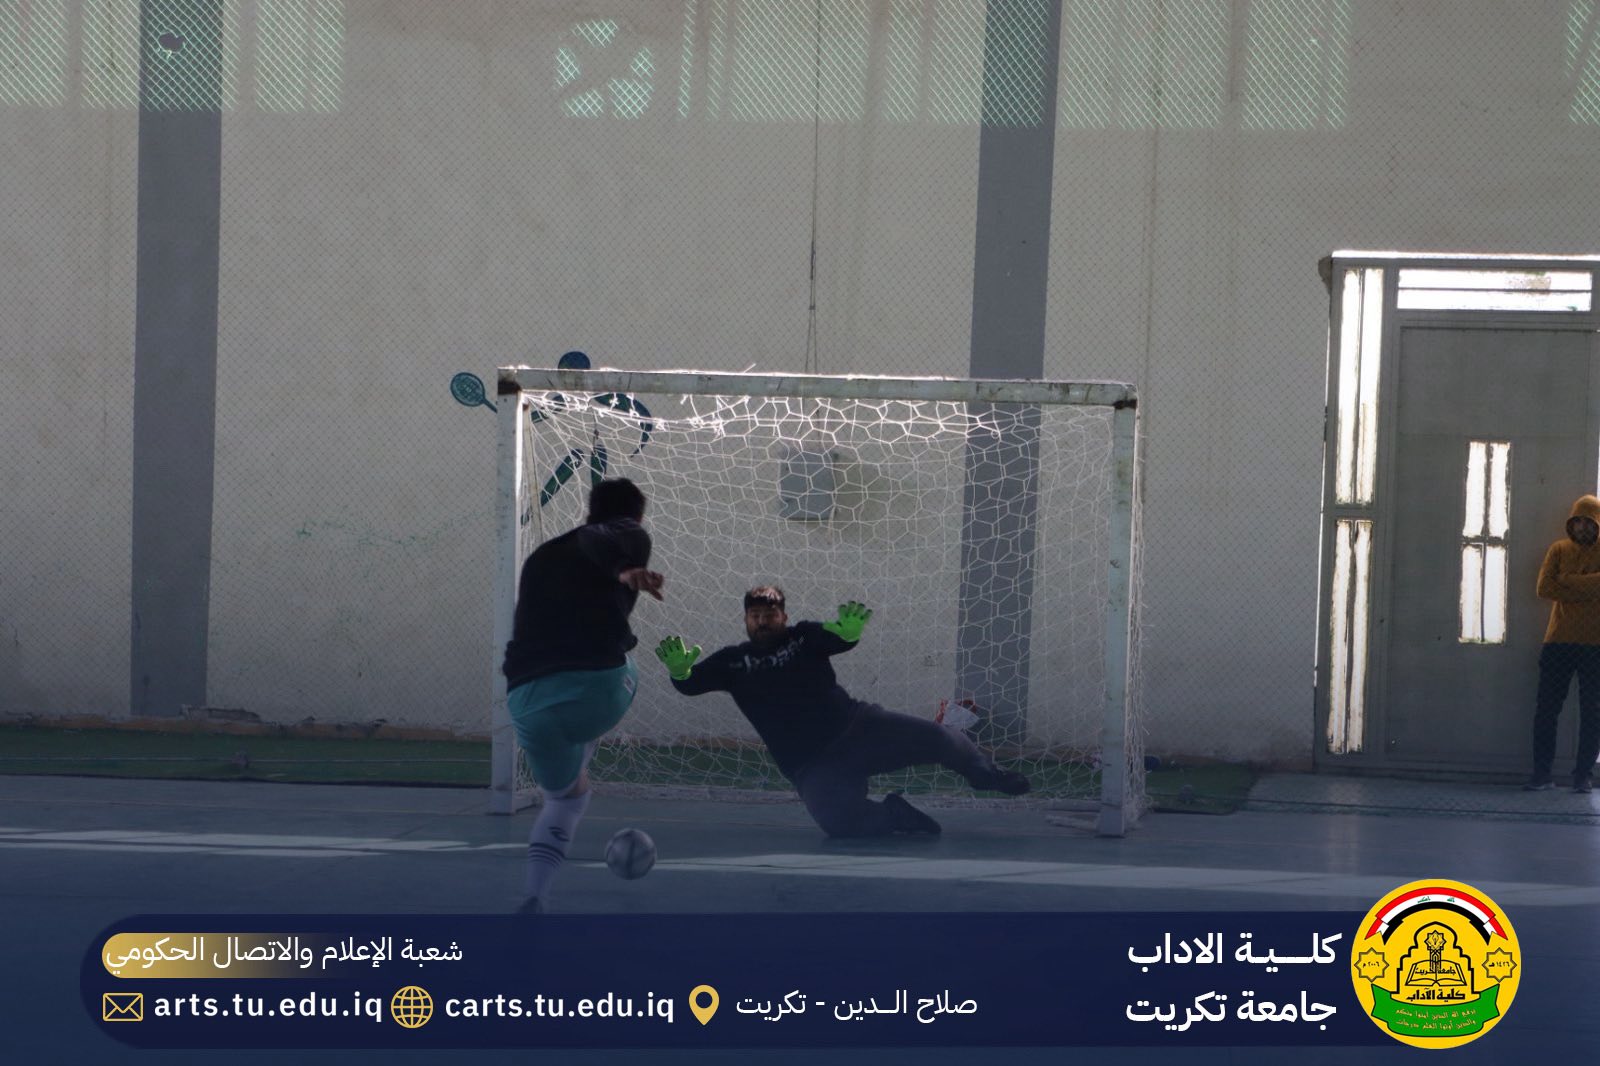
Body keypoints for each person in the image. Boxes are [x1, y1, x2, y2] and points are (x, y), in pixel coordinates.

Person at [654, 585, 1029, 837]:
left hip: (861, 730)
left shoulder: (803, 636)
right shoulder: (732, 662)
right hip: (813, 766)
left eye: (770, 613)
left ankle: (987, 776)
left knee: (942, 737)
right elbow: (690, 684)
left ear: (784, 616)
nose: (763, 621)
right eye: (755, 615)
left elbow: (835, 639)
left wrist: (848, 633)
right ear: (746, 620)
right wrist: (680, 671)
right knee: (840, 824)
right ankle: (896, 814)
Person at [502, 478, 664, 912]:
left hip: (526, 702)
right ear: (636, 516)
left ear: (588, 510)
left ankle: (536, 894)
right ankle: (586, 743)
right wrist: (624, 569)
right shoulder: (628, 534)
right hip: (597, 688)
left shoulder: (541, 556)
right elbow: (600, 539)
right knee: (628, 663)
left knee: (566, 799)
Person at [1525, 495, 1600, 793]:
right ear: (1571, 522)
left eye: (1589, 521)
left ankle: (1583, 776)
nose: (1582, 527)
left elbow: (1556, 584)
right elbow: (1544, 588)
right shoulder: (1558, 549)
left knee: (1593, 713)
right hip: (1558, 641)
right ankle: (1541, 775)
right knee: (1547, 710)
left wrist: (1566, 579)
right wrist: (1591, 587)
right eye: (1577, 521)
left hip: (1595, 644)